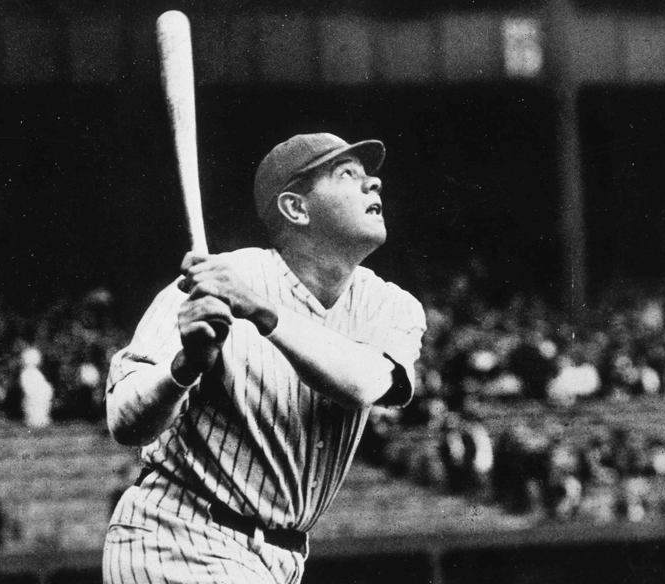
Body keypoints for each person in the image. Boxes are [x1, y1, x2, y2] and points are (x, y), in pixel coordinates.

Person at [103, 133, 427, 584]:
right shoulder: (216, 281)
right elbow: (124, 421)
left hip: (280, 560)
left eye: (367, 173)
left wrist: (260, 311)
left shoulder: (391, 306)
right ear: (296, 208)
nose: (373, 183)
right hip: (177, 538)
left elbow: (363, 384)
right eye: (348, 174)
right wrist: (185, 366)